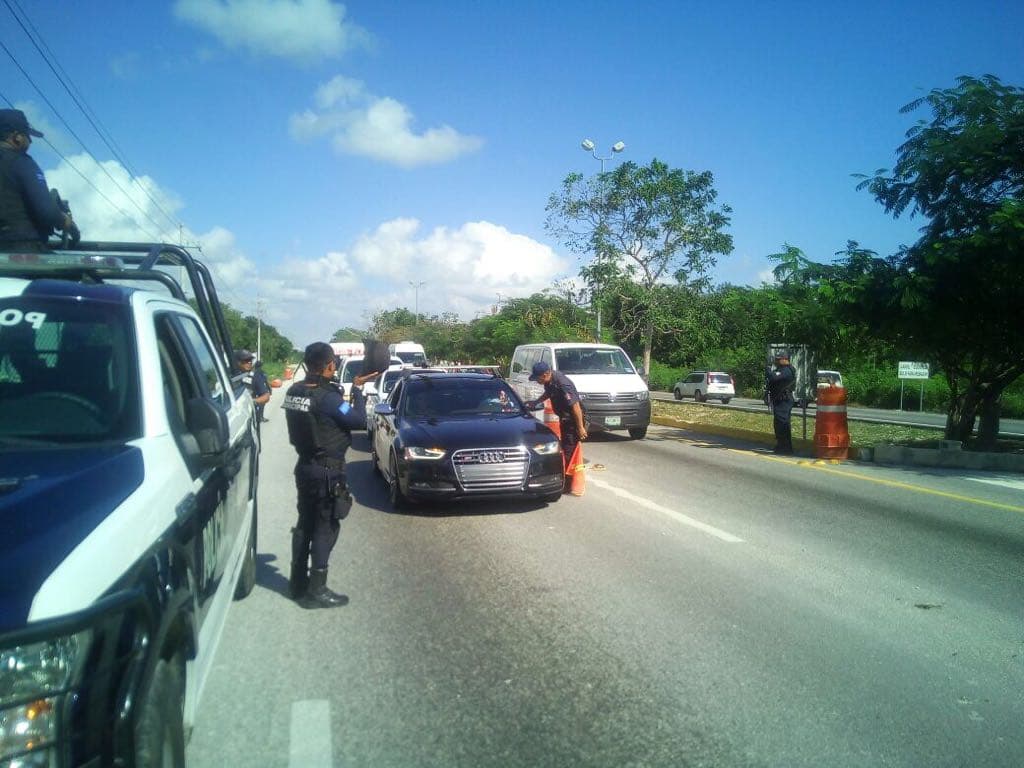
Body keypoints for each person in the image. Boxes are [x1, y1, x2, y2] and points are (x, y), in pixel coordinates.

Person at [282, 342, 378, 609]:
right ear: (329, 365)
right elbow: (358, 421)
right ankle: (317, 591)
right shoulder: (328, 398)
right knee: (325, 527)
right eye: (333, 362)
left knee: (305, 523)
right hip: (327, 471)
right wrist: (357, 390)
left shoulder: (295, 391)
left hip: (305, 466)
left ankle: (297, 582)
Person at [0, 109, 78, 251]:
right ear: (16, 137)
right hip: (24, 249)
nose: (30, 142)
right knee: (86, 272)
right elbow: (47, 212)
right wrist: (65, 221)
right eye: (27, 136)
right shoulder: (22, 163)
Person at [523, 361, 588, 485]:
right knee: (564, 447)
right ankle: (566, 477)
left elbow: (576, 407)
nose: (537, 381)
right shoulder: (550, 382)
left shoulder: (563, 384)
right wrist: (535, 402)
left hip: (572, 421)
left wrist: (580, 428)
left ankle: (568, 483)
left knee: (569, 450)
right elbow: (548, 393)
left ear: (546, 374)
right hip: (565, 419)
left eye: (537, 378)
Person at [766, 350, 796, 454]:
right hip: (780, 400)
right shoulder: (781, 369)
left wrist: (768, 370)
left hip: (784, 400)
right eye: (776, 359)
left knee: (782, 424)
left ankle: (786, 447)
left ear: (785, 359)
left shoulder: (787, 370)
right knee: (779, 423)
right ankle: (781, 445)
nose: (777, 361)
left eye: (779, 359)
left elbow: (773, 377)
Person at [235, 350, 270, 436]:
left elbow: (266, 396)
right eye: (246, 360)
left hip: (250, 416)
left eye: (250, 360)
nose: (250, 362)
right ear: (237, 362)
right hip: (234, 418)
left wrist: (252, 401)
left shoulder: (255, 376)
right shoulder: (229, 376)